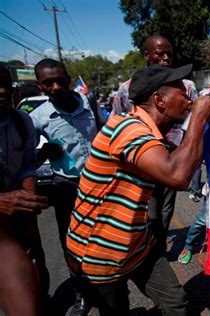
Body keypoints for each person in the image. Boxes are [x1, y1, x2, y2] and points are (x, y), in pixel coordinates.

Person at [65, 64, 210, 314]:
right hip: (100, 253)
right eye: (182, 92)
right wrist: (198, 117)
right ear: (160, 100)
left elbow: (184, 161)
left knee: (176, 303)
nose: (189, 99)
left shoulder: (149, 132)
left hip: (137, 244)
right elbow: (178, 176)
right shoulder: (128, 128)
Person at [112, 35, 198, 250]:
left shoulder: (187, 85)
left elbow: (190, 120)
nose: (166, 57)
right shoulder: (126, 89)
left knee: (166, 207)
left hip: (174, 156)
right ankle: (143, 249)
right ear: (147, 56)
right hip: (142, 161)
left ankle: (157, 248)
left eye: (169, 53)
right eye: (160, 53)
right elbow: (117, 120)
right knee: (146, 209)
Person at [30, 58, 98, 315]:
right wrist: (43, 152)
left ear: (69, 79)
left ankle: (109, 286)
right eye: (48, 82)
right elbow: (29, 158)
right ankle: (82, 295)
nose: (56, 86)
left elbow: (107, 134)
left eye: (60, 80)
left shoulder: (90, 104)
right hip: (65, 186)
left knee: (104, 235)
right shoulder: (37, 118)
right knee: (71, 242)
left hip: (99, 182)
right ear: (40, 86)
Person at [0, 65, 49, 316]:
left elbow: (27, 163)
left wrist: (29, 200)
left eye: (6, 84)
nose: (2, 90)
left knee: (34, 265)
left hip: (19, 211)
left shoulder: (22, 120)